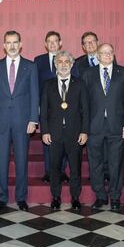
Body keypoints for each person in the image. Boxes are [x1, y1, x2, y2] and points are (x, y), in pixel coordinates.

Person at [0, 30, 39, 212]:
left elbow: (34, 95)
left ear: (21, 44)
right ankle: (2, 198)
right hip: (0, 122)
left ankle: (21, 197)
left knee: (21, 161)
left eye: (15, 42)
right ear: (3, 45)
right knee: (1, 161)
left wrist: (34, 119)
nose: (12, 46)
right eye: (8, 42)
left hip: (23, 122)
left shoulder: (31, 67)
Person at [82, 43, 124, 212]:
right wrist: (84, 127)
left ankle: (115, 196)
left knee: (115, 162)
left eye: (110, 52)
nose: (107, 55)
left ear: (113, 54)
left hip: (116, 126)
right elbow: (84, 103)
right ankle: (100, 196)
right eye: (103, 53)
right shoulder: (88, 74)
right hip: (94, 126)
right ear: (97, 55)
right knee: (95, 162)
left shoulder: (123, 72)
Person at [40, 51, 89, 211]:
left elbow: (85, 111)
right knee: (54, 168)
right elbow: (44, 111)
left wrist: (84, 131)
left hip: (75, 134)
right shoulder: (48, 84)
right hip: (54, 134)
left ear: (71, 64)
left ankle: (75, 197)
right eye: (59, 62)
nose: (63, 64)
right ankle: (56, 197)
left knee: (75, 168)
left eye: (66, 62)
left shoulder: (80, 84)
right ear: (55, 65)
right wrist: (45, 131)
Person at [34, 31, 69, 183]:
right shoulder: (38, 61)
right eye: (49, 41)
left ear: (60, 43)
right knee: (47, 140)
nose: (53, 44)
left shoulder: (67, 59)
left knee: (65, 140)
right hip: (46, 108)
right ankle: (49, 171)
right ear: (45, 44)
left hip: (66, 108)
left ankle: (61, 171)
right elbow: (35, 85)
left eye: (55, 41)